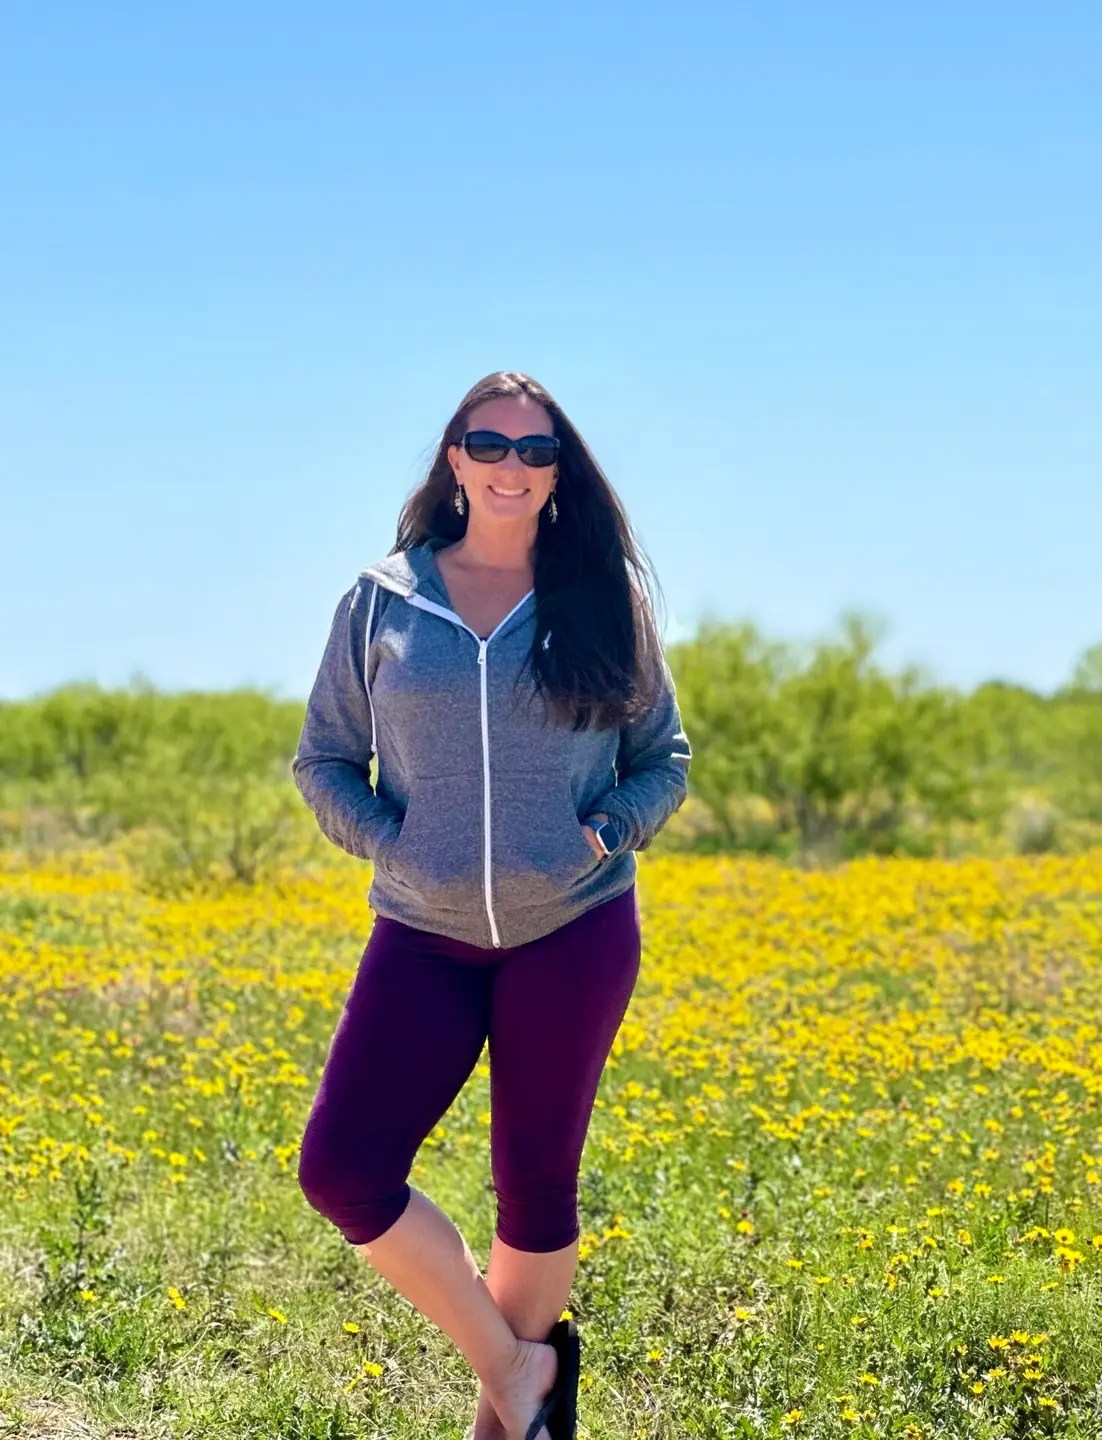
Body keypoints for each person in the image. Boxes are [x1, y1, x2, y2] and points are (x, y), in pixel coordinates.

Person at [289, 370, 692, 1440]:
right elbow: (324, 759)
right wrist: (390, 842)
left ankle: (500, 1420)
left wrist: (603, 831)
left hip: (575, 926)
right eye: (491, 443)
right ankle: (519, 1372)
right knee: (342, 1169)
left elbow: (664, 758)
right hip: (422, 933)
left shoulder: (604, 601)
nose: (514, 465)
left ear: (561, 476)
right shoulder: (382, 599)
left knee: (536, 1183)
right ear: (455, 459)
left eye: (537, 450)